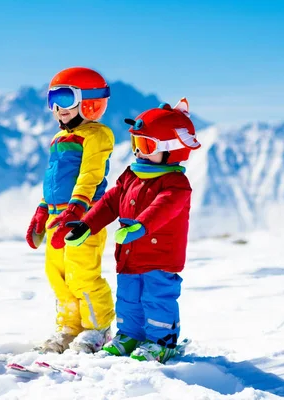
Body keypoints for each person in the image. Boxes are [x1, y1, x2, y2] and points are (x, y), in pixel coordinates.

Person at [64, 98, 201, 363]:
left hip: (160, 259)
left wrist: (140, 226)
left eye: (146, 145)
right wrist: (87, 224)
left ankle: (161, 341)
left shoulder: (176, 184)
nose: (138, 152)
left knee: (156, 298)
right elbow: (111, 201)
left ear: (172, 150)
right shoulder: (131, 175)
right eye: (135, 144)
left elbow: (163, 208)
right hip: (128, 256)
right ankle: (129, 334)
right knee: (128, 298)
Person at [25, 67, 116, 353]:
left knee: (82, 273)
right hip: (57, 216)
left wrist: (76, 210)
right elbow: (54, 182)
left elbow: (90, 175)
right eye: (52, 99)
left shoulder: (97, 135)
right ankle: (69, 327)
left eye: (65, 98)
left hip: (84, 218)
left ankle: (96, 328)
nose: (58, 108)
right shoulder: (59, 138)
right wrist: (42, 210)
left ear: (89, 101)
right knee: (58, 274)